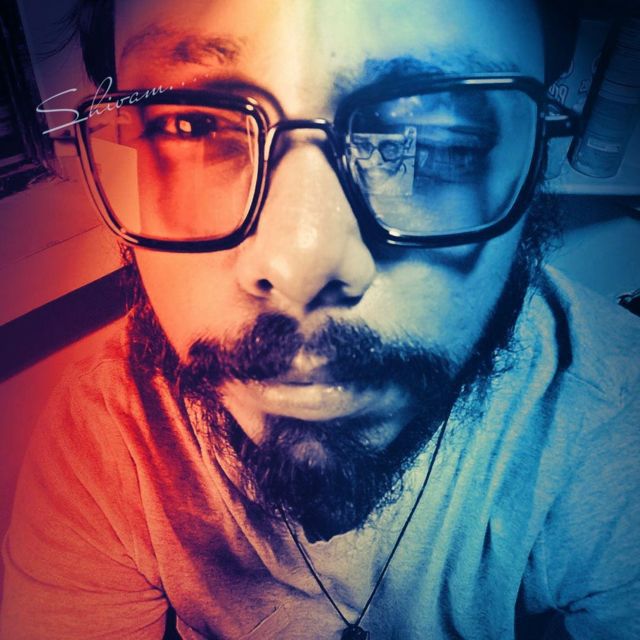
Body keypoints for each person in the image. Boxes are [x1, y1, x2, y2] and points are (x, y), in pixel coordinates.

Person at [1, 0, 639, 638]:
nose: (300, 265)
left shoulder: (612, 422)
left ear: (540, 152)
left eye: (435, 136)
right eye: (194, 125)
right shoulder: (107, 441)